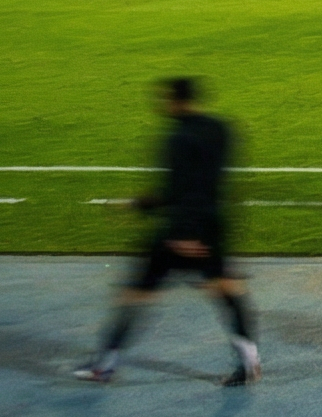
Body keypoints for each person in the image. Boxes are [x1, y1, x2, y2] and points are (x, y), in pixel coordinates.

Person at [74, 78, 261, 387]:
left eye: (165, 100)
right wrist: (135, 204)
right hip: (214, 225)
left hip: (181, 232)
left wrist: (180, 233)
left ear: (176, 101)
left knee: (134, 294)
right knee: (226, 292)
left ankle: (104, 366)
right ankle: (249, 358)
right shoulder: (221, 129)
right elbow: (209, 182)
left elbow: (178, 190)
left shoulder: (177, 139)